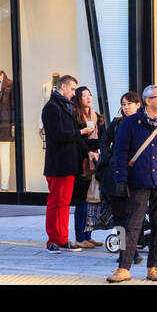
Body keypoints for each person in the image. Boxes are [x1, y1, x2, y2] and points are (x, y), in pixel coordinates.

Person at [106, 85, 157, 282]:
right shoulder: (131, 123)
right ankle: (123, 268)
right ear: (148, 101)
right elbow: (120, 153)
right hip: (138, 181)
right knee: (132, 225)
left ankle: (154, 268)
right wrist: (120, 179)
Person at [41, 74, 91, 252]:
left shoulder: (67, 106)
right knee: (56, 203)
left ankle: (62, 238)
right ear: (63, 87)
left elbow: (70, 134)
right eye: (72, 89)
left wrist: (88, 151)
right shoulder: (52, 107)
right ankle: (54, 240)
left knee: (63, 203)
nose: (74, 93)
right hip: (58, 164)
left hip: (68, 163)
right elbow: (59, 134)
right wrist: (82, 132)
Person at [97, 91, 142, 262]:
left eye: (129, 104)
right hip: (115, 176)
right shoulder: (117, 123)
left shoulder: (143, 123)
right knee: (119, 216)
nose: (125, 107)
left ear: (138, 105)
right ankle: (127, 251)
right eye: (123, 104)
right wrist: (109, 158)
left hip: (136, 176)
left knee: (133, 215)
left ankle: (132, 248)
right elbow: (103, 141)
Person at [71, 85, 105, 248]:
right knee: (82, 200)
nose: (88, 98)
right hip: (82, 162)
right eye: (84, 96)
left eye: (90, 95)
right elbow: (78, 140)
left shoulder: (96, 116)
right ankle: (79, 236)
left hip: (95, 160)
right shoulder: (75, 116)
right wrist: (91, 148)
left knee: (92, 199)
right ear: (78, 98)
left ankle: (88, 234)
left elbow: (102, 137)